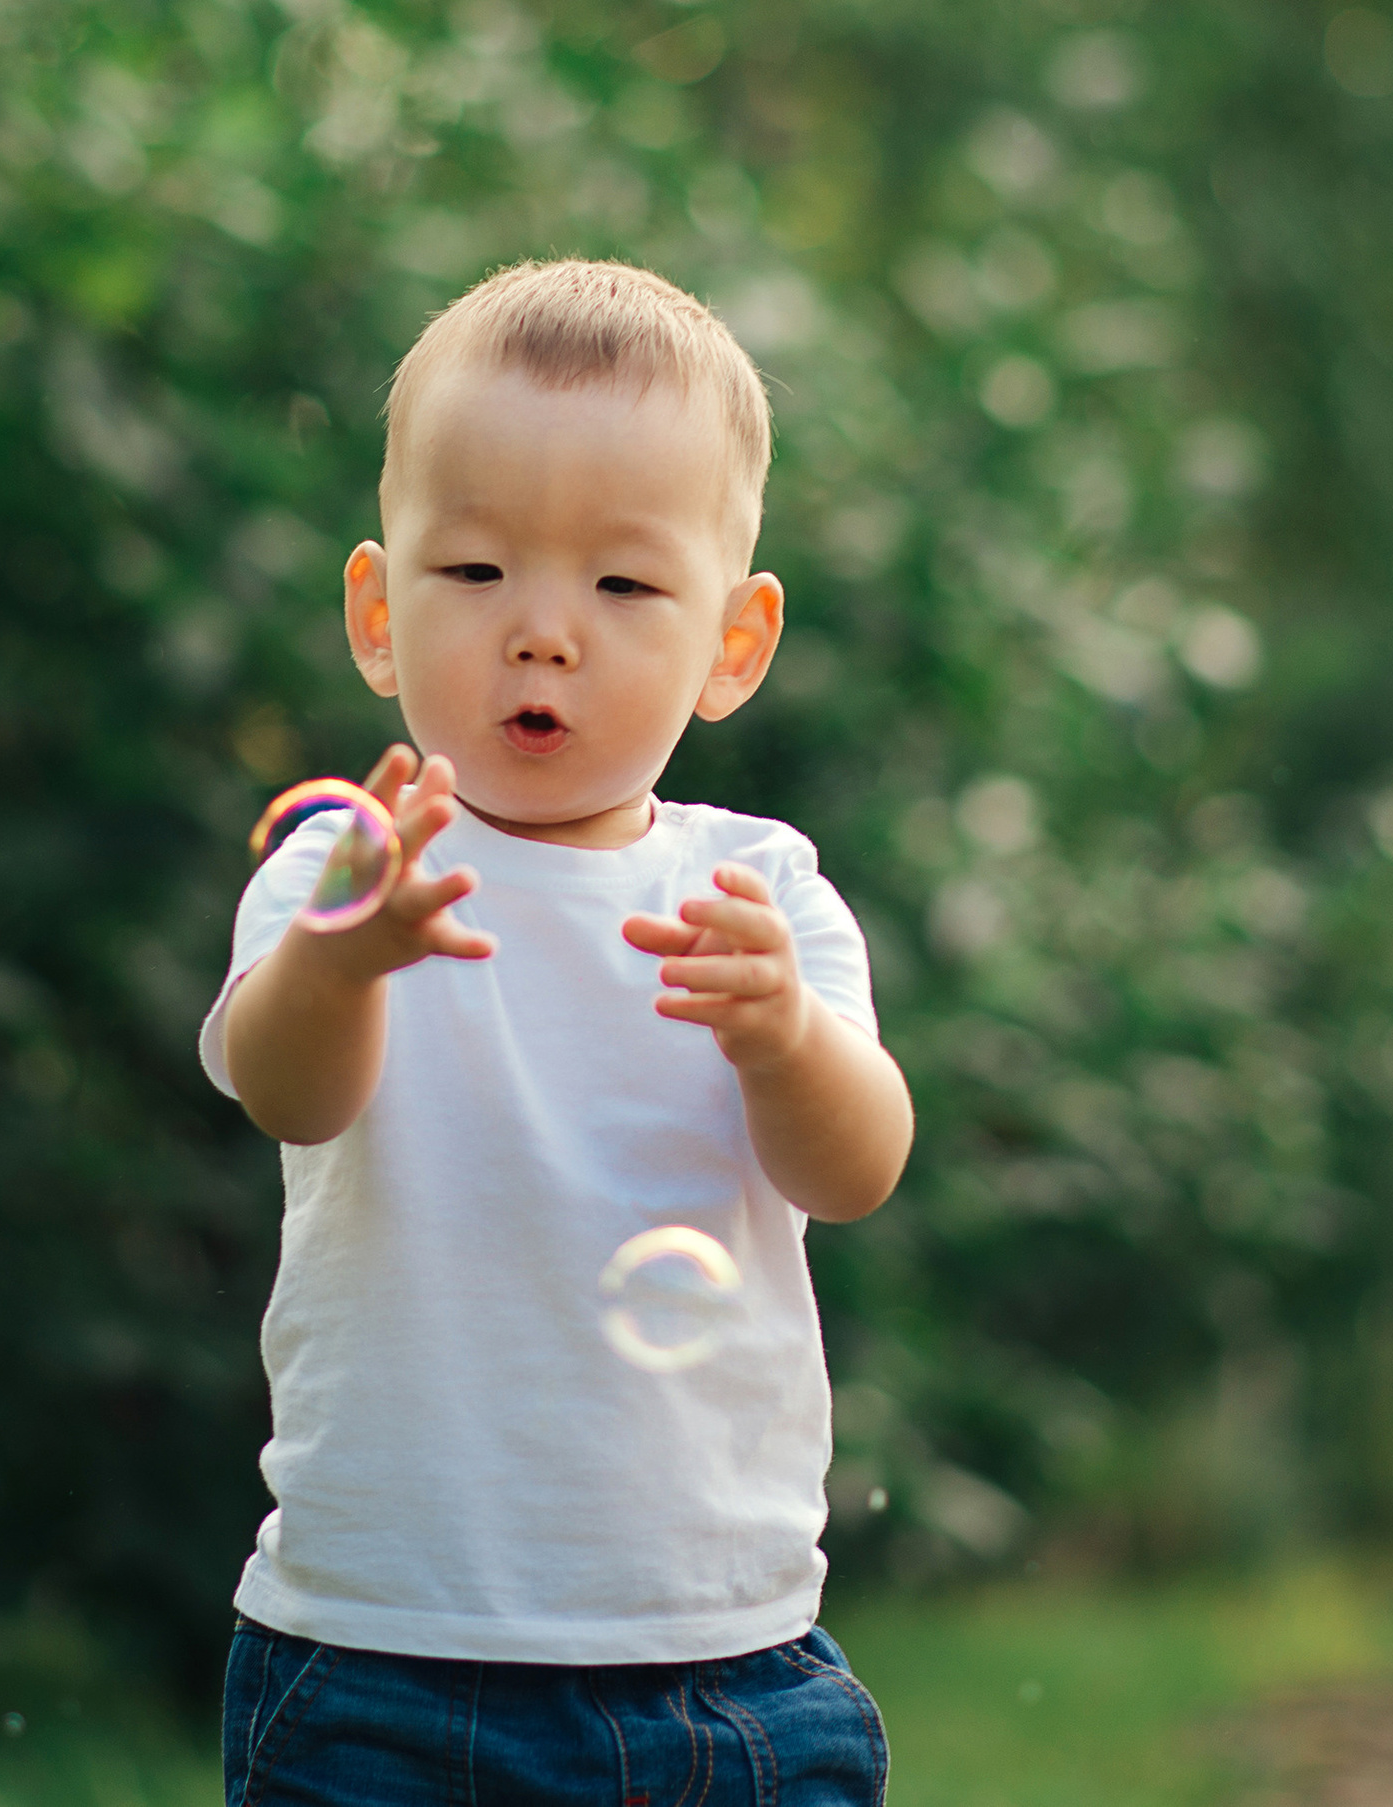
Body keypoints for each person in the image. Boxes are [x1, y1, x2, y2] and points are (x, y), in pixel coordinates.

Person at [200, 258, 916, 1805]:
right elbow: (287, 1090)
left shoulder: (756, 890)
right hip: (379, 1660)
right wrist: (347, 961)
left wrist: (784, 1034)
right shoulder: (350, 870)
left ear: (733, 642)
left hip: (722, 1668)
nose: (543, 633)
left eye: (622, 585)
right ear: (378, 615)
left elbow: (855, 1168)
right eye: (475, 576)